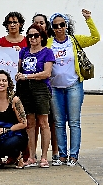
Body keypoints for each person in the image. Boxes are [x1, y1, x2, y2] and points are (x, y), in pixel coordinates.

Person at [47, 10, 99, 166]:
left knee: (74, 122)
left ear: (66, 25)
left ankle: (73, 155)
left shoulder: (75, 40)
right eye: (55, 26)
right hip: (55, 88)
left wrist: (89, 19)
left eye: (62, 24)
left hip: (73, 86)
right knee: (59, 122)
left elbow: (95, 38)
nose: (59, 28)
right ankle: (62, 155)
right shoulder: (48, 43)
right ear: (52, 27)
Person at [16, 24, 55, 168]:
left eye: (36, 35)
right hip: (25, 89)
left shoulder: (47, 52)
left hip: (41, 88)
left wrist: (27, 76)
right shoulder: (24, 51)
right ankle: (31, 156)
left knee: (43, 122)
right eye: (30, 36)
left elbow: (47, 73)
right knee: (30, 123)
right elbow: (16, 66)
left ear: (42, 37)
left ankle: (44, 157)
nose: (32, 38)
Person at [32, 13, 59, 164]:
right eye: (36, 23)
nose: (39, 25)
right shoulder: (30, 42)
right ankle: (32, 154)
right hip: (34, 88)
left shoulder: (50, 43)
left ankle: (54, 152)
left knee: (51, 121)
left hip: (52, 87)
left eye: (41, 23)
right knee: (33, 122)